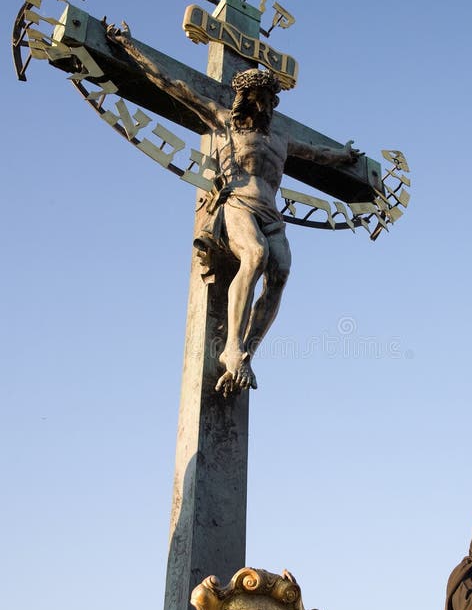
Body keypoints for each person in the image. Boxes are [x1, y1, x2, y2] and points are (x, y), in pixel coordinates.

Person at [105, 25, 360, 395]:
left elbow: (322, 155)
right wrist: (129, 46)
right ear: (245, 98)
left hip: (272, 215)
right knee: (254, 256)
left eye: (269, 100)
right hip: (237, 202)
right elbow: (174, 85)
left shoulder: (282, 140)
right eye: (258, 98)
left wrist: (346, 156)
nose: (264, 106)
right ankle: (230, 348)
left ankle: (245, 354)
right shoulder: (225, 124)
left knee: (281, 274)